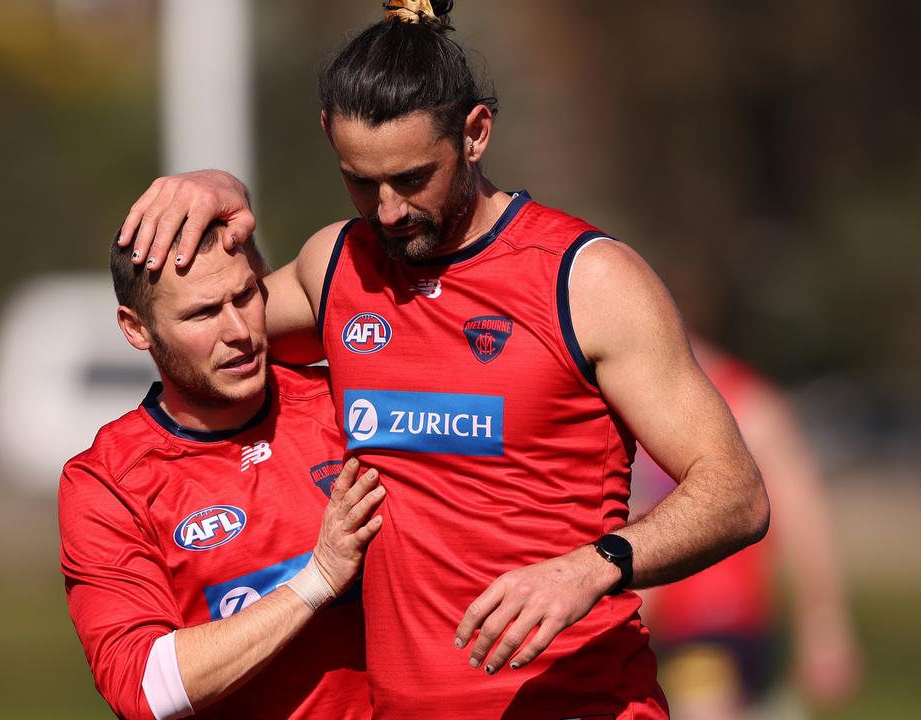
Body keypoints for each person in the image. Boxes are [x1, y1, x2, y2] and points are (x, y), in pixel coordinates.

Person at [116, 1, 770, 716]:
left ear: (475, 134)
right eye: (362, 183)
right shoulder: (339, 266)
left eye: (412, 178)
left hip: (579, 702)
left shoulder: (586, 281)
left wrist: (594, 566)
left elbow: (736, 493)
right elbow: (216, 334)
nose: (389, 210)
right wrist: (224, 193)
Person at [58, 225, 384, 719]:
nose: (239, 330)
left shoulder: (346, 404)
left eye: (245, 295)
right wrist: (318, 578)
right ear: (136, 328)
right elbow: (143, 686)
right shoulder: (108, 483)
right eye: (203, 313)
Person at [632, 341, 861, 719]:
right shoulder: (618, 390)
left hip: (714, 620)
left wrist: (823, 625)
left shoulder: (751, 405)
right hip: (639, 623)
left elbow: (805, 518)